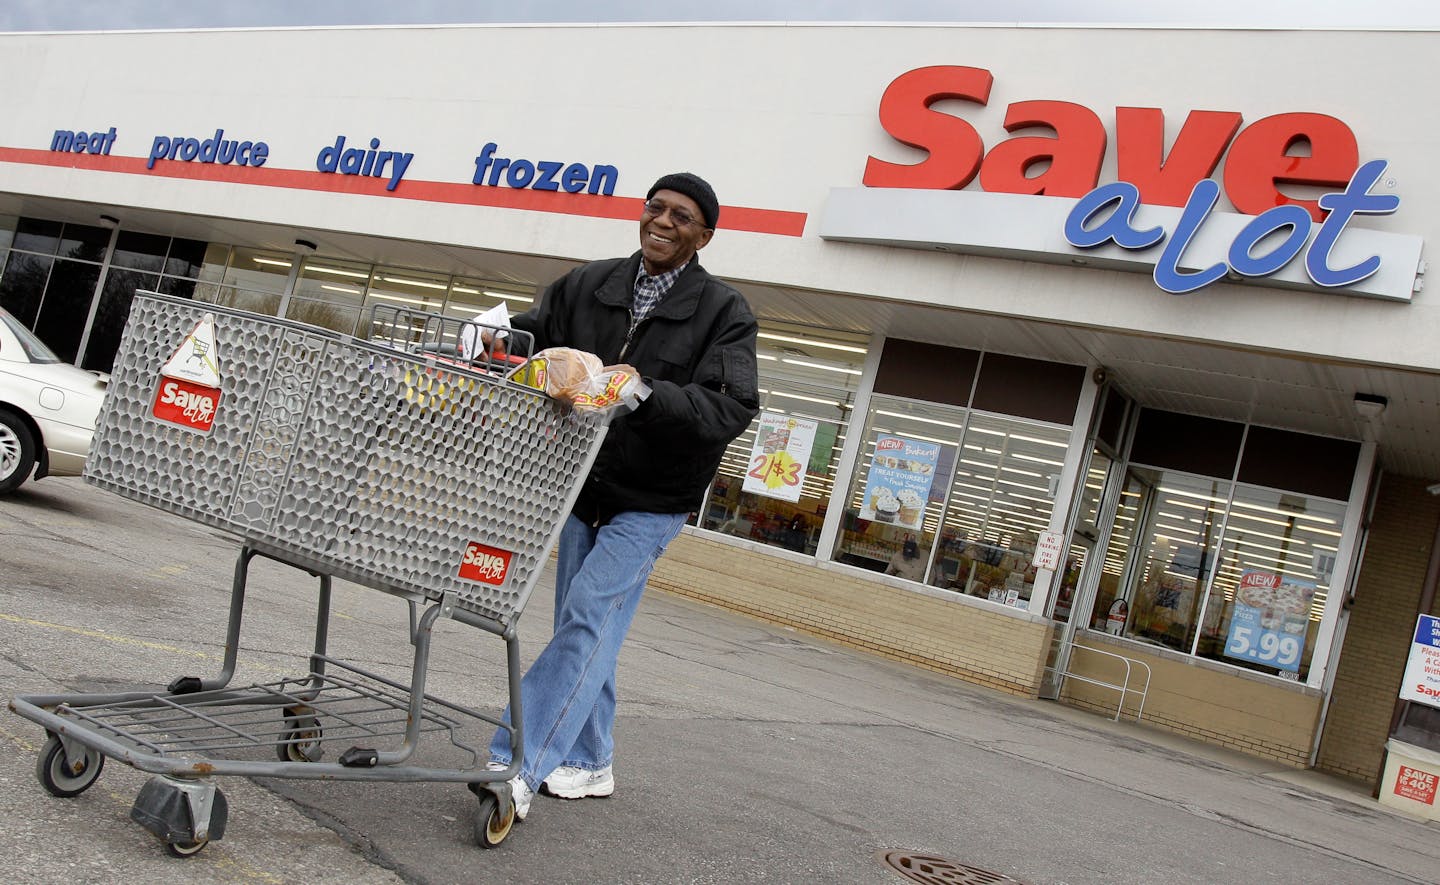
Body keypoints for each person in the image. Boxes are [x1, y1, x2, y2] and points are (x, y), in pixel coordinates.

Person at [485, 172, 760, 821]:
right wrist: (496, 340)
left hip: (652, 501)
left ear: (704, 234)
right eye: (656, 208)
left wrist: (648, 392)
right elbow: (535, 332)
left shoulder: (724, 312)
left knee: (585, 618)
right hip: (586, 487)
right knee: (585, 629)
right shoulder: (593, 284)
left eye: (682, 216)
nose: (664, 221)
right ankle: (590, 759)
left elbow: (733, 404)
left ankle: (518, 762)